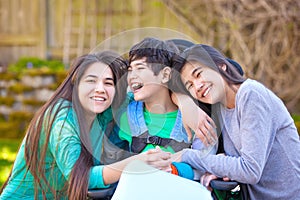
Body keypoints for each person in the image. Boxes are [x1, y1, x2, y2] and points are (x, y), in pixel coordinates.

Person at [0, 51, 171, 199]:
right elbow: (80, 178)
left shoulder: (103, 113)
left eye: (108, 83)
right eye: (91, 80)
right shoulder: (61, 119)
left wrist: (184, 100)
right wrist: (136, 164)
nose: (100, 89)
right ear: (76, 84)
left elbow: (149, 92)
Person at [171, 44, 300, 199]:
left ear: (221, 66)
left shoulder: (251, 95)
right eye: (190, 85)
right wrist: (183, 101)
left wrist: (188, 155)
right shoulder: (221, 107)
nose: (197, 86)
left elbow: (250, 170)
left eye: (198, 74)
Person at [114, 37, 214, 155]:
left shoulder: (194, 118)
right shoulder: (126, 115)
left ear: (165, 75)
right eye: (130, 70)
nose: (131, 76)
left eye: (140, 68)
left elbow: (204, 162)